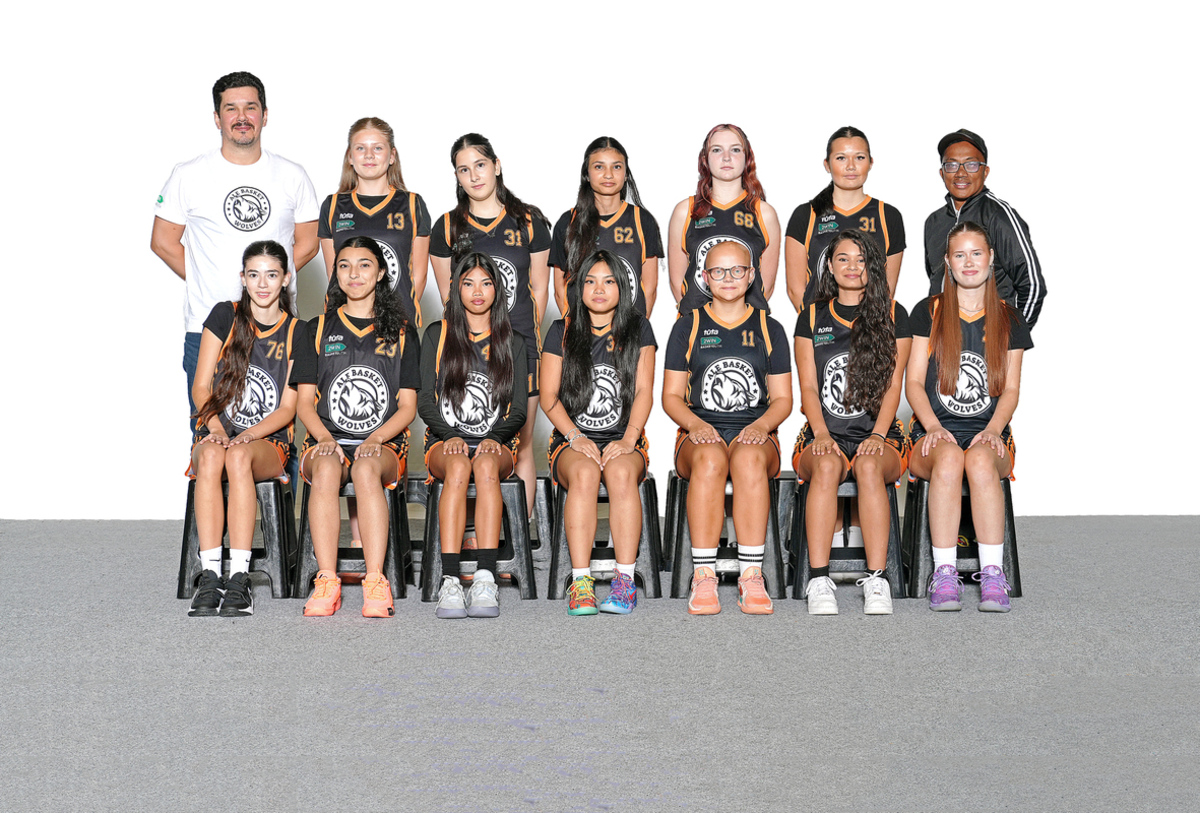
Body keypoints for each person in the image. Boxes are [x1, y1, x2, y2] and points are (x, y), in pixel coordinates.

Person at [152, 71, 319, 419]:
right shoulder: (188, 174)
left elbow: (308, 243)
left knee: (277, 431)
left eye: (250, 107)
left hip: (277, 327)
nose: (242, 117)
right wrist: (208, 279)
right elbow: (163, 242)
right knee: (209, 430)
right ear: (217, 118)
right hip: (210, 329)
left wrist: (266, 285)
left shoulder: (292, 175)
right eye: (231, 109)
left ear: (265, 115)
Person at [291, 237, 420, 618]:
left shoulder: (402, 332)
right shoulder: (316, 329)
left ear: (380, 273)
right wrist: (324, 438)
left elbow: (408, 407)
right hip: (327, 438)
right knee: (327, 469)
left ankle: (375, 580)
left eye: (364, 265)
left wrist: (376, 438)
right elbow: (303, 402)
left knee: (365, 469)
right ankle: (327, 579)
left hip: (381, 443)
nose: (354, 274)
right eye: (344, 265)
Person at [662, 240, 793, 616]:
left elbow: (783, 399)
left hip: (755, 433)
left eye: (737, 270)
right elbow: (671, 396)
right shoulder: (687, 326)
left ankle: (751, 576)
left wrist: (762, 426)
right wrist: (695, 424)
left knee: (749, 458)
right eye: (718, 271)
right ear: (705, 277)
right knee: (709, 458)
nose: (729, 278)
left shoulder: (770, 328)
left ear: (751, 275)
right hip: (700, 433)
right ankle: (704, 576)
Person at [907, 221, 1032, 612]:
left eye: (976, 253)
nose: (969, 262)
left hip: (987, 432)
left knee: (978, 460)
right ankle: (944, 574)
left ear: (991, 258)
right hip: (934, 433)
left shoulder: (1010, 318)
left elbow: (1011, 390)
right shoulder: (928, 311)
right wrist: (933, 426)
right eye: (959, 255)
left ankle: (993, 574)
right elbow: (913, 382)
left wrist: (993, 430)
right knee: (949, 457)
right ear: (947, 262)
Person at [792, 231, 911, 615]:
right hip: (823, 431)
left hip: (879, 433)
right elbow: (809, 386)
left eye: (861, 259)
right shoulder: (812, 316)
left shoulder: (894, 314)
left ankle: (877, 580)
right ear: (829, 265)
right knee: (826, 465)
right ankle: (819, 579)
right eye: (843, 258)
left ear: (872, 267)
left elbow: (894, 385)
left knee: (870, 465)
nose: (852, 267)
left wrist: (877, 434)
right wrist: (821, 434)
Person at [430, 133, 548, 517]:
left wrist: (522, 344)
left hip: (518, 349)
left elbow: (539, 291)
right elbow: (449, 297)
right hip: (467, 353)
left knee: (521, 446)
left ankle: (520, 538)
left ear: (496, 165)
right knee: (468, 446)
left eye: (480, 165)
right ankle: (473, 536)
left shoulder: (529, 221)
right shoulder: (447, 226)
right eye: (464, 170)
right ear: (456, 176)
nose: (474, 176)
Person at [187, 241, 300, 617]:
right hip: (217, 428)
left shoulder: (298, 331)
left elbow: (288, 408)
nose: (262, 284)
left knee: (237, 457)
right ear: (243, 278)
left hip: (266, 441)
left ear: (286, 278)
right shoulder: (225, 315)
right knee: (211, 457)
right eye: (254, 275)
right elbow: (201, 386)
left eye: (271, 275)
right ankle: (210, 575)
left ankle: (239, 576)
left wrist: (248, 435)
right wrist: (217, 429)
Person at [541, 250, 657, 615]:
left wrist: (628, 439)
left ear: (622, 287)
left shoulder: (639, 329)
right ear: (578, 288)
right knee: (585, 473)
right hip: (572, 440)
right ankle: (581, 582)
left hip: (624, 437)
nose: (599, 289)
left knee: (620, 472)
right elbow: (548, 397)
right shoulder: (561, 330)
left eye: (608, 281)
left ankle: (624, 581)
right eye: (590, 281)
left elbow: (644, 392)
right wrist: (575, 437)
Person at [420, 253, 528, 619]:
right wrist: (448, 433)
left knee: (483, 465)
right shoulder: (437, 335)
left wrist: (495, 437)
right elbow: (424, 400)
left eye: (485, 283)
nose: (477, 291)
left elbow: (519, 410)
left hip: (496, 443)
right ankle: (450, 580)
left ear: (497, 289)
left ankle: (484, 576)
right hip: (444, 440)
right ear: (456, 288)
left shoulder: (513, 341)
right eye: (468, 284)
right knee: (457, 466)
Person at [924, 129, 1046, 329]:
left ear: (985, 171)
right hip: (943, 337)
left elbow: (1032, 285)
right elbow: (936, 281)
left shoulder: (999, 216)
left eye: (971, 164)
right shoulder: (933, 222)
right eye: (951, 165)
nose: (961, 173)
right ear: (942, 172)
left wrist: (1013, 338)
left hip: (988, 336)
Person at [318, 116, 431, 326]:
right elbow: (335, 274)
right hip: (343, 322)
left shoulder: (412, 204)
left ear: (392, 156)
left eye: (378, 148)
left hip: (396, 323)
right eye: (360, 148)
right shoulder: (332, 206)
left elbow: (419, 276)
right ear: (350, 157)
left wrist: (395, 315)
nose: (369, 155)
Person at [785, 126, 906, 311]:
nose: (851, 166)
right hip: (820, 326)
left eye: (859, 157)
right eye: (841, 158)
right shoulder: (806, 214)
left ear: (871, 163)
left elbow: (886, 290)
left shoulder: (888, 216)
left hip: (869, 326)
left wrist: (870, 324)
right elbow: (796, 290)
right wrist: (815, 323)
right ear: (827, 164)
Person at [667, 124, 781, 315]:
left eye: (735, 150)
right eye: (717, 150)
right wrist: (701, 321)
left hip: (749, 328)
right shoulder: (685, 211)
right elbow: (678, 284)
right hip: (696, 327)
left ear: (747, 158)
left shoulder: (764, 213)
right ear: (705, 159)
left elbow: (765, 288)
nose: (726, 157)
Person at [549, 137, 663, 317]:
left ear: (626, 174)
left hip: (629, 329)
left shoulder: (643, 220)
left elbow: (649, 288)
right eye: (599, 167)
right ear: (587, 174)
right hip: (582, 331)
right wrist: (574, 328)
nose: (608, 174)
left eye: (616, 167)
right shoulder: (568, 222)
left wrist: (639, 328)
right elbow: (559, 289)